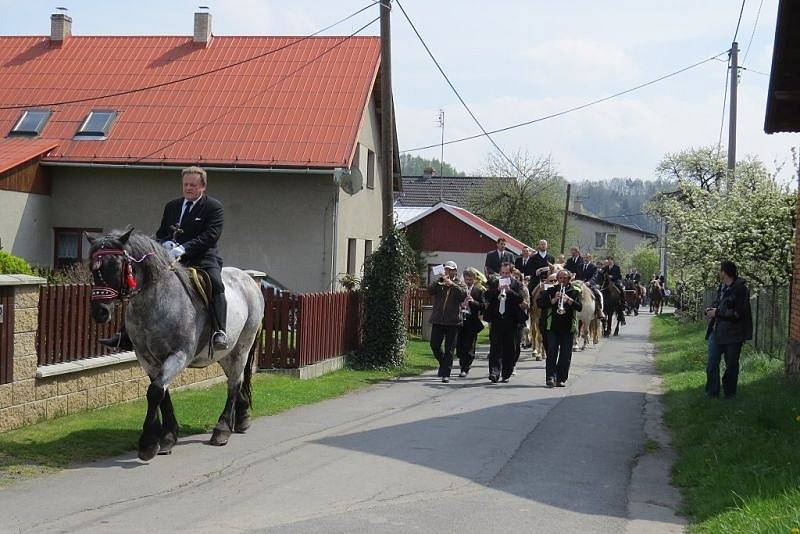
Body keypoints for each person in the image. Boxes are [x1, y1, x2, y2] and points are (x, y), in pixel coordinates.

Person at [101, 166, 229, 351]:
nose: (188, 188)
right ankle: (126, 333)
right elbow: (161, 233)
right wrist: (165, 244)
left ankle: (220, 331)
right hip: (170, 259)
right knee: (143, 281)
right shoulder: (173, 206)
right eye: (185, 185)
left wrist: (184, 248)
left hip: (202, 258)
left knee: (216, 283)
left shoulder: (213, 207)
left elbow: (210, 235)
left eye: (193, 185)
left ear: (203, 187)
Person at [704, 261, 753, 399]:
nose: (718, 273)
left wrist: (717, 312)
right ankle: (712, 393)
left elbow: (738, 313)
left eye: (720, 271)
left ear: (724, 272)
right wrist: (710, 311)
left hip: (733, 334)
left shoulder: (740, 289)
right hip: (717, 332)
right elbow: (718, 305)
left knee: (731, 366)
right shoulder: (722, 287)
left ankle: (729, 393)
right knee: (712, 363)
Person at [538, 269, 583, 388]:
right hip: (552, 326)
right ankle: (550, 377)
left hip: (568, 327)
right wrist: (554, 300)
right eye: (560, 278)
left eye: (565, 278)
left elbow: (579, 307)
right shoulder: (551, 290)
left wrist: (568, 300)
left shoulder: (574, 291)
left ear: (569, 279)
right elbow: (541, 305)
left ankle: (561, 378)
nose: (562, 281)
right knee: (552, 351)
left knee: (565, 354)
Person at [484, 262, 527, 383]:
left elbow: (520, 298)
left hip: (511, 319)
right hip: (497, 319)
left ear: (511, 273)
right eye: (502, 273)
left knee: (509, 348)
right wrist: (497, 291)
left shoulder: (516, 284)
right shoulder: (495, 282)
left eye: (507, 273)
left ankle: (506, 373)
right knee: (495, 347)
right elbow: (487, 296)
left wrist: (509, 291)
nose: (504, 275)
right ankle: (494, 372)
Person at [428, 261, 467, 383]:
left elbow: (463, 295)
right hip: (438, 319)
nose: (448, 272)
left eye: (450, 270)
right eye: (446, 270)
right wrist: (439, 279)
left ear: (455, 271)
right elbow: (430, 290)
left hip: (453, 321)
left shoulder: (460, 283)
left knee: (449, 348)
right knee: (434, 345)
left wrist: (452, 284)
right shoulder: (440, 282)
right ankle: (443, 363)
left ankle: (446, 374)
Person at [457, 267, 486, 377]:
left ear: (474, 279)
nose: (468, 282)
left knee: (469, 345)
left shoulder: (479, 290)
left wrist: (473, 302)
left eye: (470, 280)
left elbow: (483, 306)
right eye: (466, 279)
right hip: (460, 319)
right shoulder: (460, 289)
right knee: (459, 345)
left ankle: (465, 368)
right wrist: (461, 304)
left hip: (472, 320)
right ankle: (462, 363)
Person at [512, 268, 531, 373]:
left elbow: (527, 305)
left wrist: (518, 301)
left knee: (516, 343)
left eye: (517, 277)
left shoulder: (523, 289)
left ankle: (513, 363)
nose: (514, 278)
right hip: (506, 318)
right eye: (513, 276)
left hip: (518, 318)